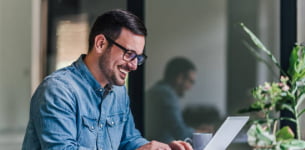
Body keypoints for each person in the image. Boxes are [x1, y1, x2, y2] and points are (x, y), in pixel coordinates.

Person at [22, 9, 192, 150]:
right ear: (101, 44)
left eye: (138, 58)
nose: (134, 66)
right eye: (129, 54)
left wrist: (153, 147)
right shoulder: (58, 90)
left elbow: (129, 140)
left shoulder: (119, 92)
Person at [145, 57, 196, 143]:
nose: (190, 87)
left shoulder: (156, 90)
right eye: (190, 81)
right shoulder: (167, 94)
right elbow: (180, 133)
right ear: (179, 78)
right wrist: (201, 133)